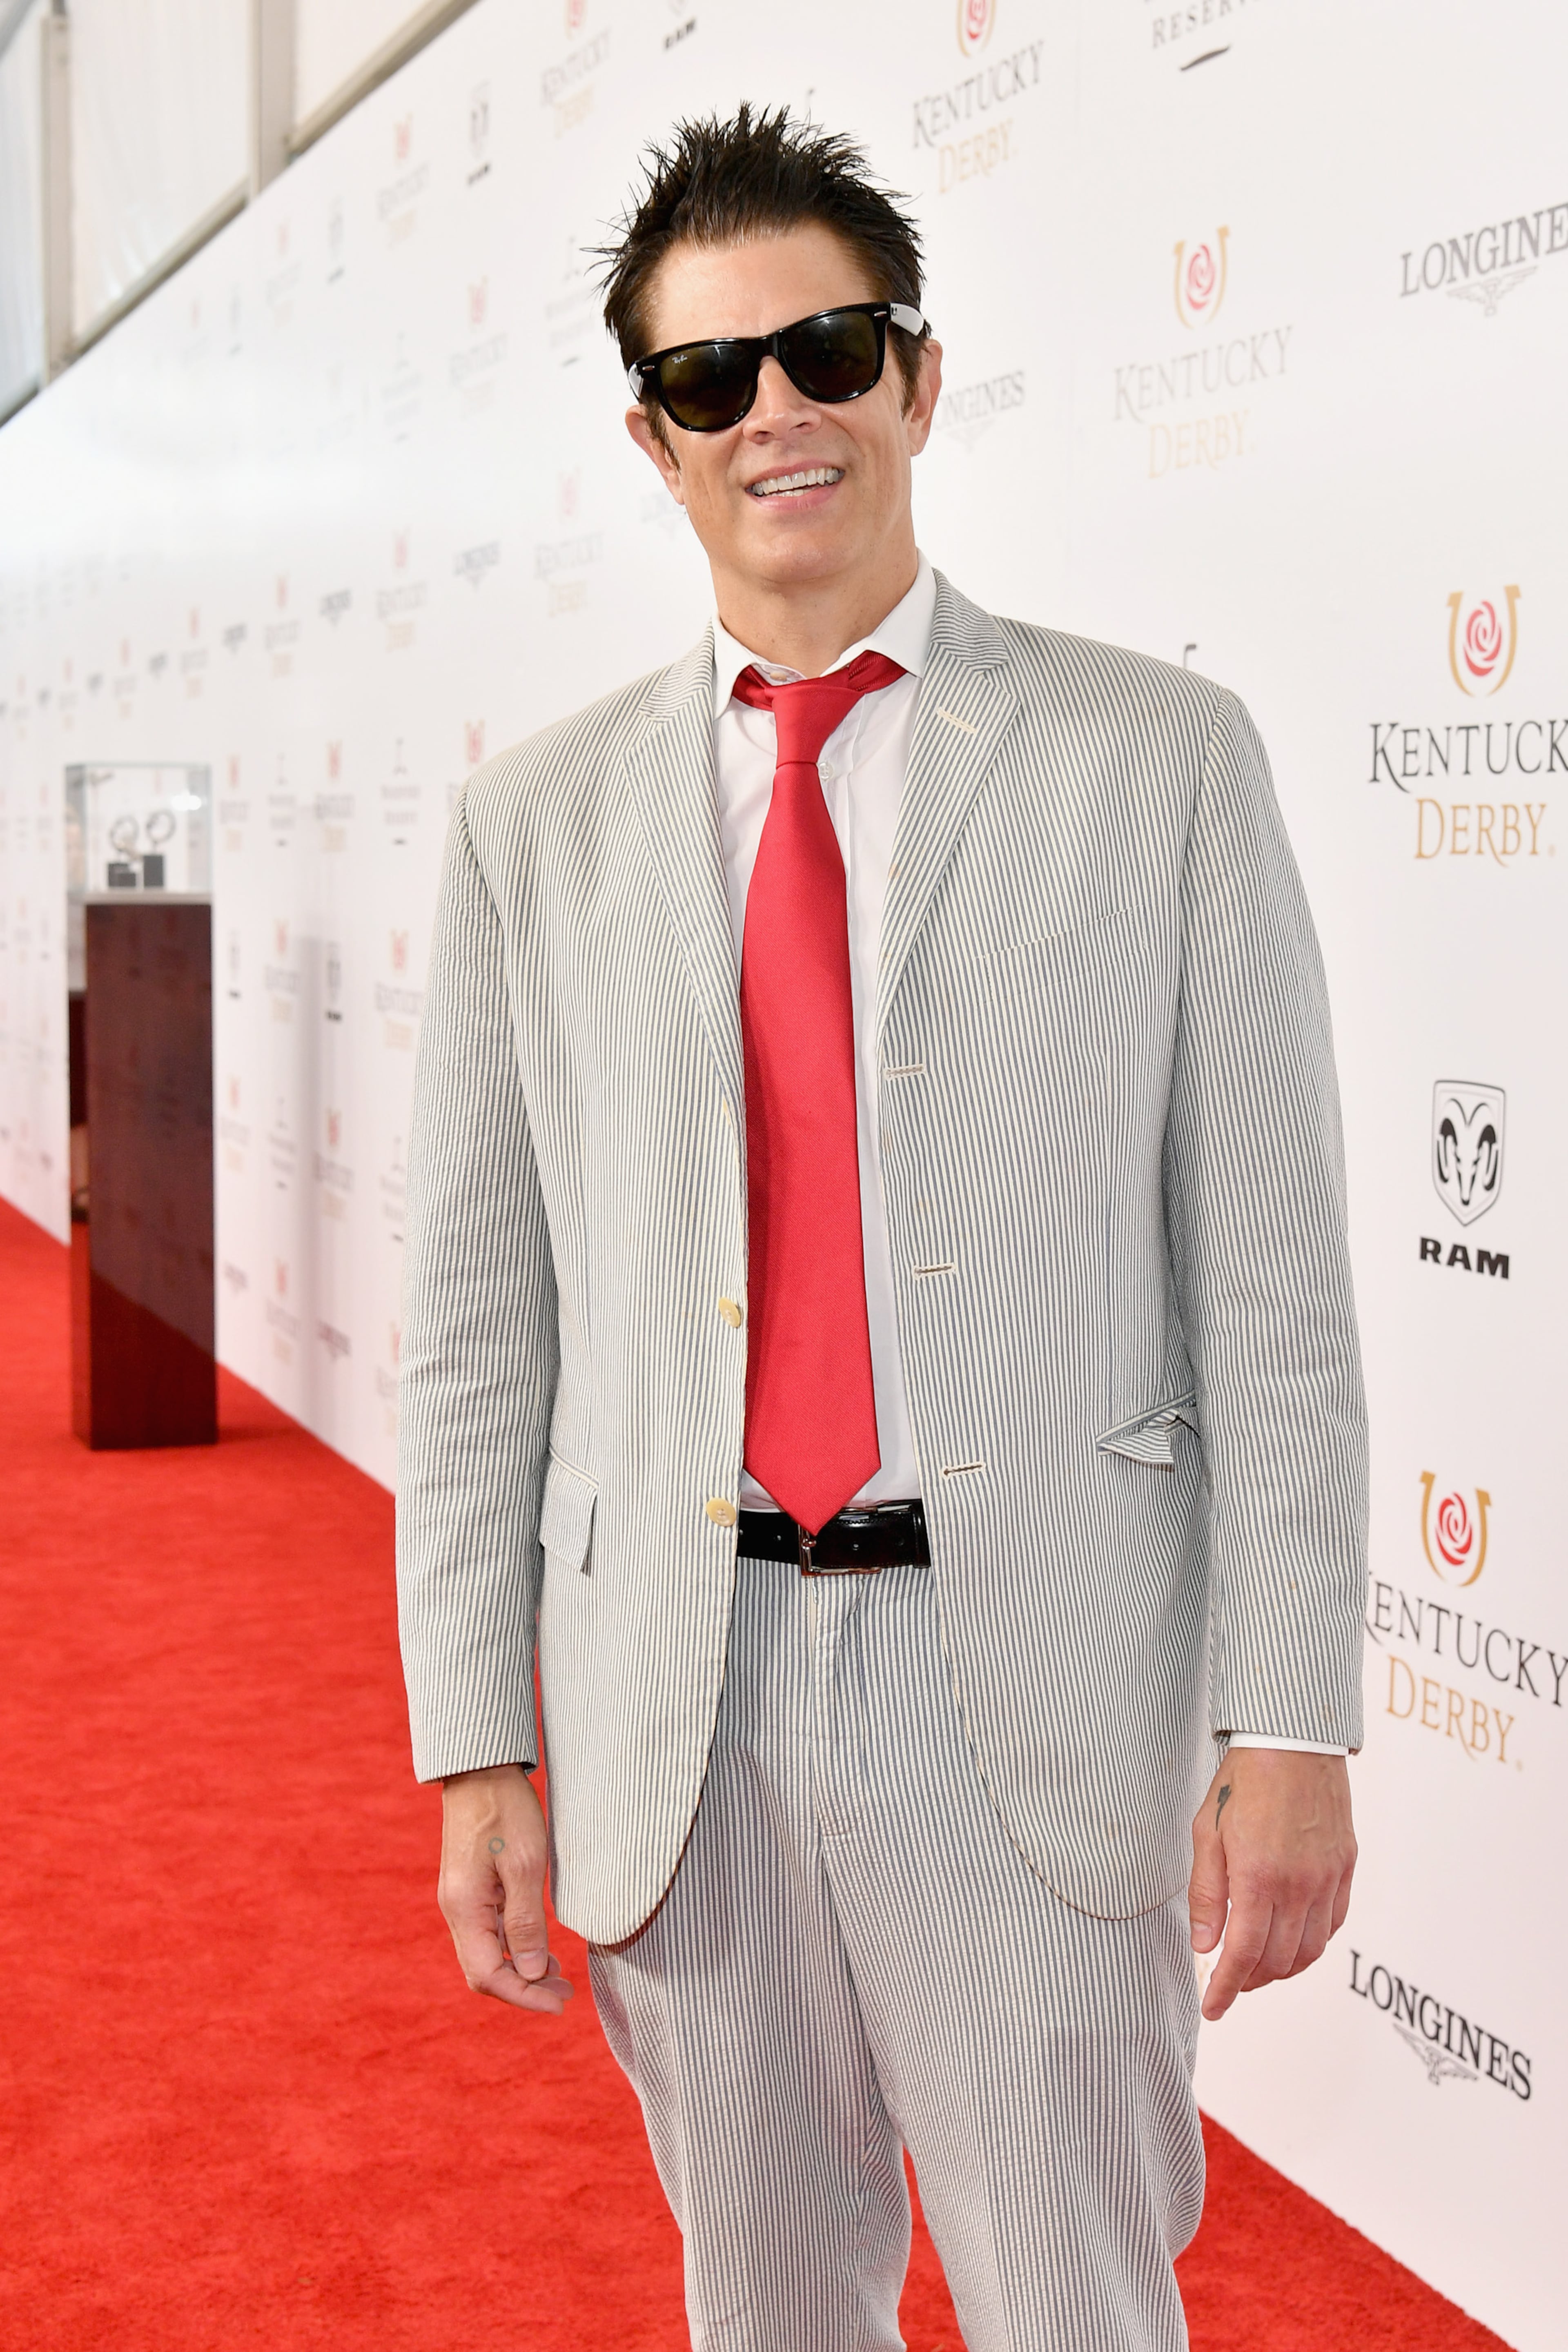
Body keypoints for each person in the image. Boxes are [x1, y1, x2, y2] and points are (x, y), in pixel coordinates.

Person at [396, 106, 1366, 2352]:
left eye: (828, 351)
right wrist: (474, 1744)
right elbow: (476, 1330)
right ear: (654, 441)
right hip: (680, 1693)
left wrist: (1297, 1719)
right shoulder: (533, 825)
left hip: (1030, 1686)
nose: (780, 413)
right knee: (764, 2315)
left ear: (918, 378)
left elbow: (1276, 1287)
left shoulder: (1162, 760)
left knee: (1075, 2308)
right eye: (711, 377)